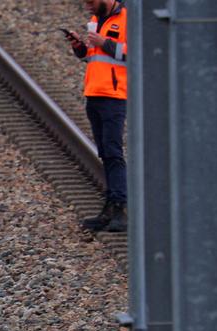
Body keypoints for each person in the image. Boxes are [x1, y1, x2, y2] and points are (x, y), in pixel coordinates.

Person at [66, 0, 128, 233]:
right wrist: (79, 47)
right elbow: (93, 57)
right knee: (104, 152)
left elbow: (136, 54)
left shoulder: (128, 19)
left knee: (113, 151)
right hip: (94, 92)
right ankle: (111, 207)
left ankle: (119, 207)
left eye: (91, 2)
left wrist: (105, 42)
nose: (88, 7)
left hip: (114, 95)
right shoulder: (96, 20)